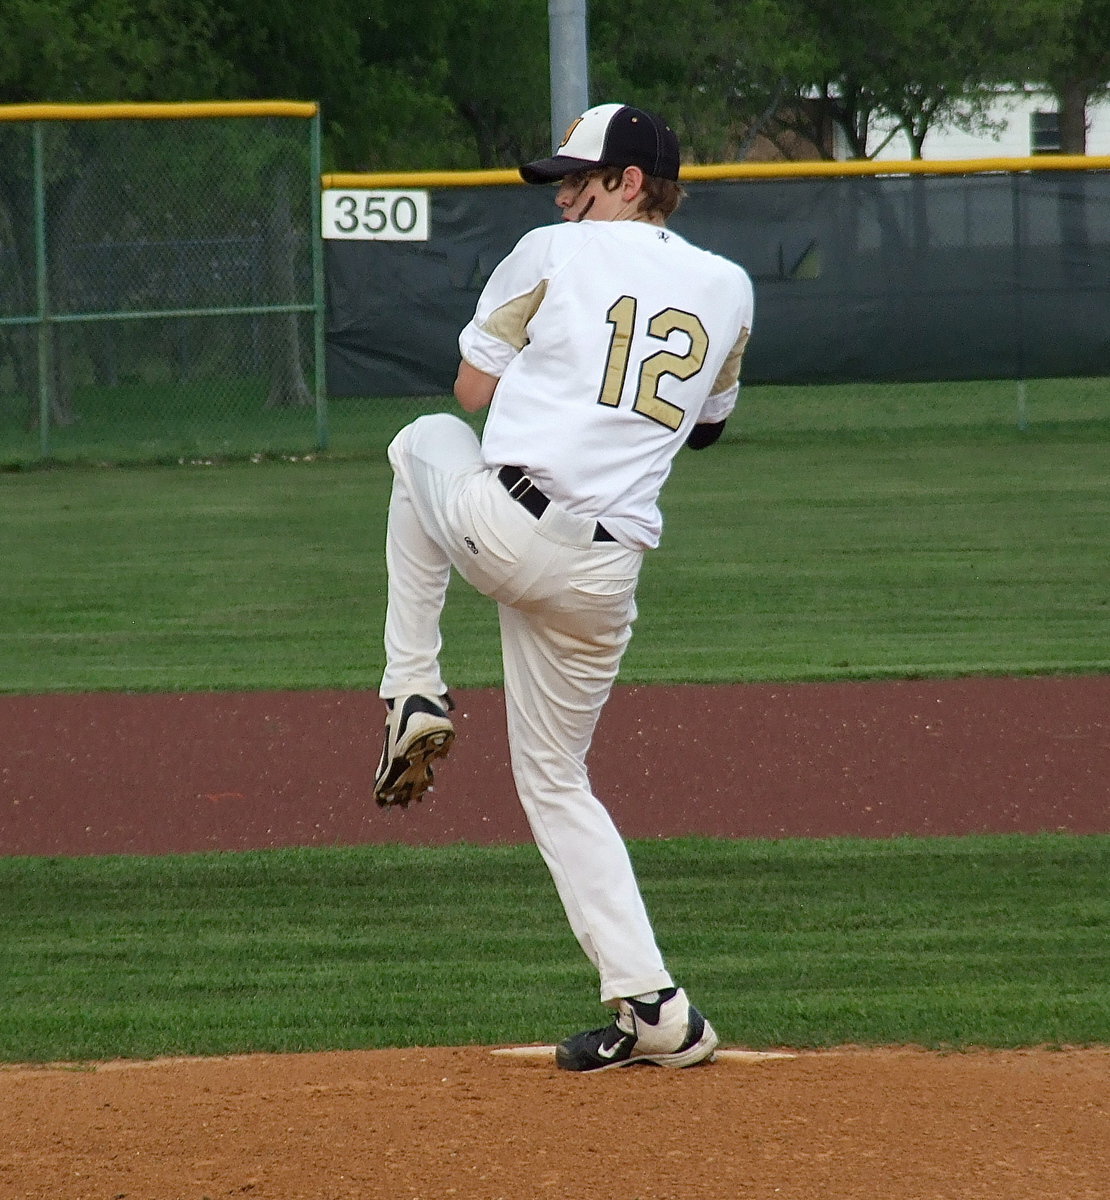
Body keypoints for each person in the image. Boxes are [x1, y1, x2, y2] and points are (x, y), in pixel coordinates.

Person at [373, 102, 754, 1071]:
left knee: (421, 441)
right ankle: (657, 1010)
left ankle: (411, 685)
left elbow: (468, 388)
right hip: (605, 578)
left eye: (578, 180)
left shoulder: (553, 255)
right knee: (555, 780)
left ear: (629, 184)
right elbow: (707, 431)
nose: (563, 196)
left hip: (509, 527)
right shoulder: (731, 286)